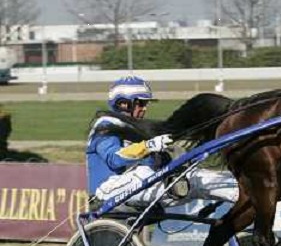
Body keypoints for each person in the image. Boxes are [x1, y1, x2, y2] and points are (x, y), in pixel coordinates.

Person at [86, 75, 238, 209]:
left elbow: (149, 163)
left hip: (133, 189)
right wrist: (149, 146)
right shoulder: (105, 125)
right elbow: (114, 159)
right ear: (124, 104)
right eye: (141, 103)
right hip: (107, 192)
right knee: (153, 174)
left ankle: (242, 191)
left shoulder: (132, 128)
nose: (144, 109)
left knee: (198, 177)